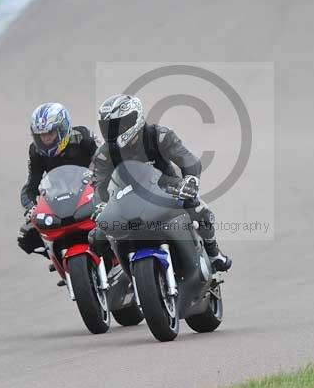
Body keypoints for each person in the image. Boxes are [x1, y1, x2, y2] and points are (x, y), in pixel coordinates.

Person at [89, 94, 232, 272]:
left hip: (166, 185)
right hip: (125, 195)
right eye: (109, 127)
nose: (113, 132)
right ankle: (113, 274)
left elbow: (189, 160)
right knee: (96, 236)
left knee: (199, 208)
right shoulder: (104, 153)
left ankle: (213, 252)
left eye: (118, 125)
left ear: (134, 119)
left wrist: (191, 180)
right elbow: (98, 184)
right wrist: (100, 205)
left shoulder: (159, 135)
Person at [16, 102, 99, 256]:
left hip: (91, 193)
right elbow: (31, 186)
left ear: (62, 129)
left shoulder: (83, 138)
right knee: (26, 236)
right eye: (41, 135)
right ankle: (55, 255)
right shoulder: (36, 152)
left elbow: (105, 162)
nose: (46, 139)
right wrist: (31, 208)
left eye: (50, 133)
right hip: (60, 200)